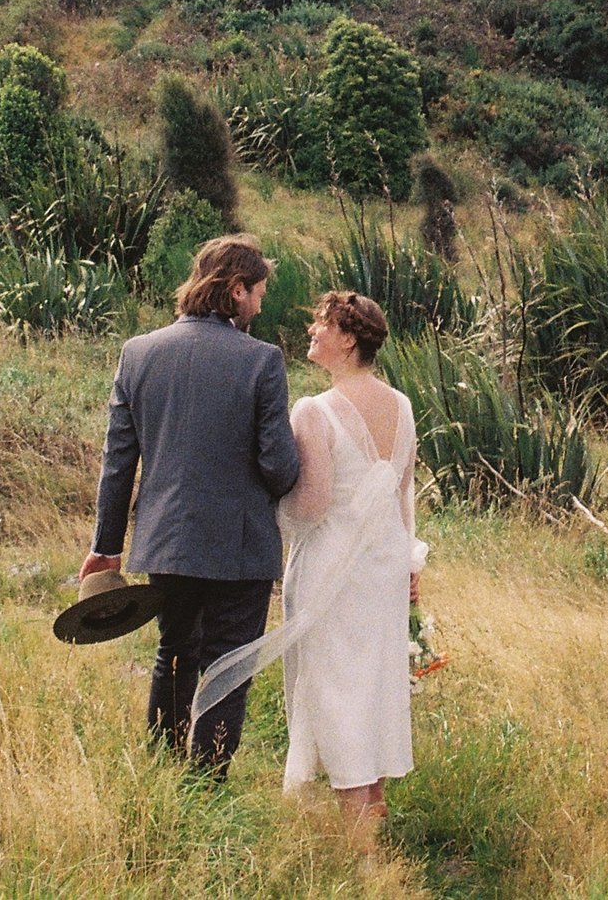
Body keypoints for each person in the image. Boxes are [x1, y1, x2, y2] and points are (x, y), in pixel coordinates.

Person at [191, 290, 423, 833]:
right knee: (373, 682)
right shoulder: (404, 405)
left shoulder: (315, 411)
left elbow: (311, 504)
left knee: (336, 687)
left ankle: (359, 840)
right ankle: (372, 807)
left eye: (321, 325)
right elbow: (403, 495)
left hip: (332, 565)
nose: (312, 333)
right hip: (384, 566)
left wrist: (269, 514)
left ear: (347, 340)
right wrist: (410, 565)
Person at [82, 235, 300, 776]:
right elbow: (279, 466)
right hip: (241, 544)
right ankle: (206, 782)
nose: (261, 304)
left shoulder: (139, 352)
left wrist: (106, 549)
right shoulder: (262, 361)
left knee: (174, 651)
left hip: (168, 539)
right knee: (230, 662)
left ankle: (162, 770)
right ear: (235, 289)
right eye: (258, 294)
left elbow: (117, 464)